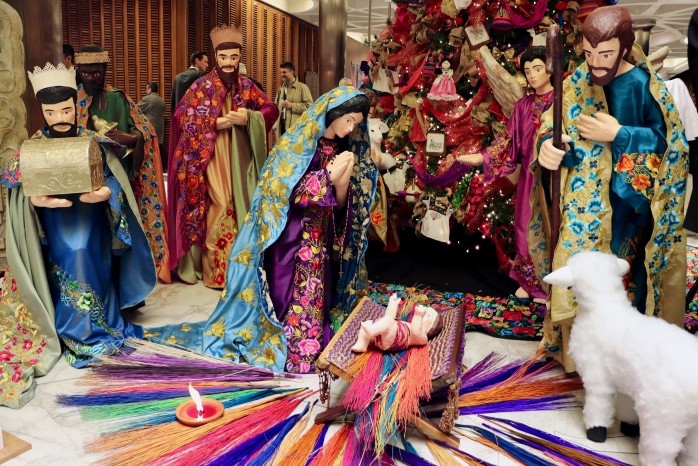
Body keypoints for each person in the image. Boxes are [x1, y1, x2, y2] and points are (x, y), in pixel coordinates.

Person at [151, 87, 378, 374]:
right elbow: (281, 190)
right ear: (334, 114)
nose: (350, 129)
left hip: (321, 235)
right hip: (294, 237)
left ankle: (311, 336)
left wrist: (341, 182)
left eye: (356, 124)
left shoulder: (342, 150)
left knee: (319, 289)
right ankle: (293, 340)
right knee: (296, 291)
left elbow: (341, 203)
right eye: (348, 120)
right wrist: (327, 177)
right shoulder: (297, 144)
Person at [529, 6, 689, 372]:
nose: (596, 64)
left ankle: (629, 354)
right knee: (580, 276)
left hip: (631, 207)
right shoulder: (576, 82)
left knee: (625, 280)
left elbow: (670, 144)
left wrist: (619, 134)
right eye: (589, 54)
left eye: (605, 55)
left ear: (624, 48)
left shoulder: (645, 85)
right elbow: (553, 124)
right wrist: (548, 147)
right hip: (586, 204)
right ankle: (582, 354)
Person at [1, 63, 155, 401]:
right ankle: (71, 328)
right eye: (50, 112)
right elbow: (16, 186)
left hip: (91, 219)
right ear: (42, 111)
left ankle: (99, 323)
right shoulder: (33, 146)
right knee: (69, 260)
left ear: (76, 106)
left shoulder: (92, 141)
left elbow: (115, 178)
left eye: (66, 110)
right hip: (55, 225)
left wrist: (106, 192)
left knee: (89, 257)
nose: (59, 118)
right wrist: (35, 199)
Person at [167, 25, 278, 288]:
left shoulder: (246, 85)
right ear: (216, 57)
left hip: (239, 158)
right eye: (223, 57)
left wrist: (250, 117)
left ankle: (238, 269)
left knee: (240, 205)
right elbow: (181, 117)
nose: (229, 63)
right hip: (210, 155)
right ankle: (217, 272)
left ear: (240, 58)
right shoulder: (201, 86)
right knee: (220, 203)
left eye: (234, 57)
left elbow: (271, 108)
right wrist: (216, 123)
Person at [458, 46, 553, 302]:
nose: (532, 75)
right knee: (524, 224)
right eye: (527, 70)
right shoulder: (523, 106)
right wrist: (482, 157)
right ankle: (531, 282)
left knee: (553, 225)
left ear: (550, 69)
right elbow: (508, 140)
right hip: (529, 176)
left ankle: (552, 285)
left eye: (537, 69)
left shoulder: (562, 101)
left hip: (557, 175)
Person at [74, 45, 170, 283]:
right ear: (78, 71)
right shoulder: (72, 101)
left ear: (105, 70)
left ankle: (128, 279)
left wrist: (132, 138)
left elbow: (146, 131)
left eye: (96, 72)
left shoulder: (118, 97)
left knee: (121, 231)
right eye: (85, 73)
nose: (91, 78)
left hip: (118, 175)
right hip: (83, 178)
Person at [274, 61, 313, 137]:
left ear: (292, 72)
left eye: (284, 72)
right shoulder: (281, 89)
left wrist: (291, 106)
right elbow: (275, 107)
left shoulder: (303, 88)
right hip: (280, 130)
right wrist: (275, 126)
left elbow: (309, 106)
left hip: (295, 131)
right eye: (281, 72)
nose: (282, 75)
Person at [138, 81, 167, 172]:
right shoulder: (162, 100)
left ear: (150, 89)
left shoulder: (148, 99)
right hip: (160, 129)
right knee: (159, 148)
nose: (146, 91)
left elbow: (136, 110)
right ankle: (162, 169)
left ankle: (150, 169)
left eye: (146, 89)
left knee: (150, 149)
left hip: (150, 128)